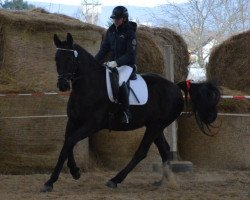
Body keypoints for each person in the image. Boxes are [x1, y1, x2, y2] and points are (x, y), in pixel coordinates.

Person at [95, 6, 137, 124]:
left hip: (127, 65)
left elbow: (130, 54)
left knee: (119, 81)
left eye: (118, 19)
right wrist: (94, 61)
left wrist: (116, 62)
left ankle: (126, 111)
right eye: (114, 18)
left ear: (124, 19)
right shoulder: (111, 31)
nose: (115, 21)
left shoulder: (130, 32)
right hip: (113, 64)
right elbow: (104, 49)